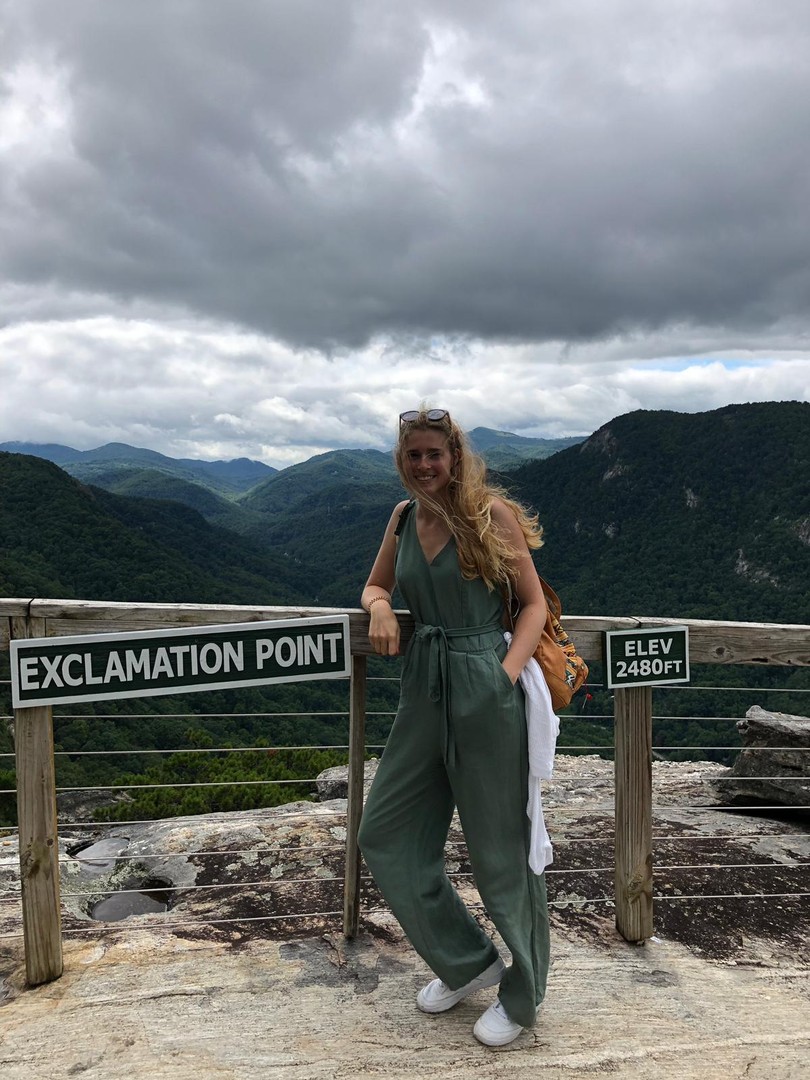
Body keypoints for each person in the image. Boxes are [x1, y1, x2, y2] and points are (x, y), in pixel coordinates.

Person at [358, 406, 551, 1047]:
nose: (424, 464)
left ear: (455, 456)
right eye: (413, 454)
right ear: (402, 460)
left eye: (434, 453)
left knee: (499, 848)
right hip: (423, 683)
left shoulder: (489, 515)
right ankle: (467, 962)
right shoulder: (404, 516)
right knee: (384, 830)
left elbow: (532, 604)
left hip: (482, 681)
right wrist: (382, 606)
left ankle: (522, 998)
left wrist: (502, 675)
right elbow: (375, 584)